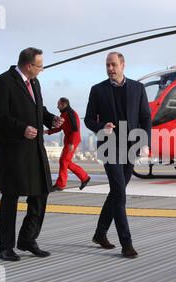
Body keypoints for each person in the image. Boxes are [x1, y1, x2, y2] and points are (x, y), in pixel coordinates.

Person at [0, 47, 64, 261]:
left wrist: (51, 120)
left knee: (41, 193)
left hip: (35, 150)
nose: (42, 70)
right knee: (11, 197)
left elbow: (37, 109)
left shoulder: (35, 82)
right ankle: (5, 247)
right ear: (29, 66)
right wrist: (21, 128)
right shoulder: (3, 82)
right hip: (13, 151)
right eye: (40, 66)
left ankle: (27, 239)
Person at [84, 52, 151, 258]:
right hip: (109, 147)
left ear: (122, 65)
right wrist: (101, 127)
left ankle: (100, 233)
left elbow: (145, 117)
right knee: (120, 194)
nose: (110, 68)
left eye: (113, 65)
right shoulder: (97, 90)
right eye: (107, 65)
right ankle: (127, 243)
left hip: (131, 146)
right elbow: (88, 120)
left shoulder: (138, 89)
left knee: (115, 193)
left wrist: (145, 142)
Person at [45, 97, 90, 191]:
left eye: (58, 104)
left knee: (63, 161)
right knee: (66, 162)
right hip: (69, 141)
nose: (57, 106)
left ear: (64, 104)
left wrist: (72, 143)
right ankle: (84, 177)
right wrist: (47, 132)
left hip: (72, 141)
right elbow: (59, 128)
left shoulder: (70, 113)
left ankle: (60, 185)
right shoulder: (64, 114)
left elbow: (75, 128)